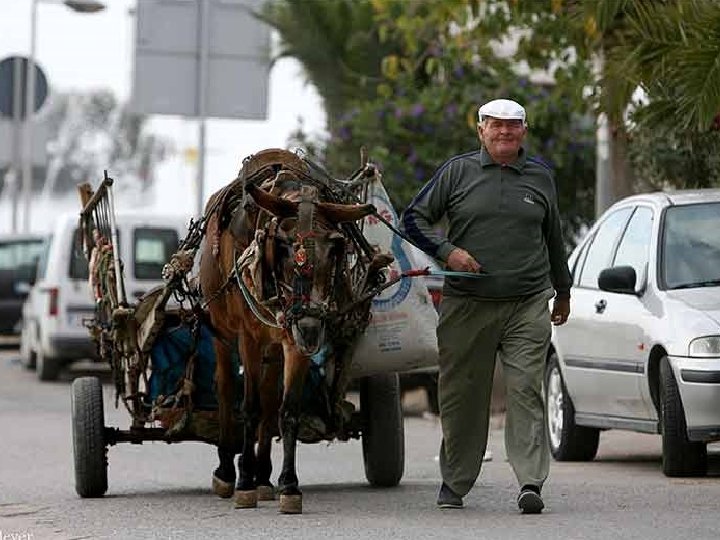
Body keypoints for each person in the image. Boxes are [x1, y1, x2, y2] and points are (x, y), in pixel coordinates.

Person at [400, 98, 571, 514]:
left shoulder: (540, 177)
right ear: (481, 131)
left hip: (527, 303)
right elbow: (413, 219)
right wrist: (448, 252)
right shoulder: (457, 172)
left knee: (526, 390)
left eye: (512, 126)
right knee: (462, 396)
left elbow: (553, 237)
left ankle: (530, 481)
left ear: (523, 131)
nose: (504, 132)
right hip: (467, 304)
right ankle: (455, 481)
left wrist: (563, 291)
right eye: (496, 125)